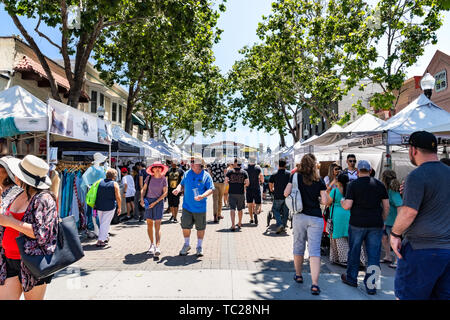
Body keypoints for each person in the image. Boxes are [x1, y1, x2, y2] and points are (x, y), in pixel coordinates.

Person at [390, 131, 450, 300]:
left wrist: (395, 234)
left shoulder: (416, 175)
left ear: (413, 150)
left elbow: (409, 212)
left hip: (420, 250)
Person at [0, 155, 58, 299]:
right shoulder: (15, 193)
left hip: (32, 263)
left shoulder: (44, 199)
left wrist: (10, 222)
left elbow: (43, 233)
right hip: (8, 260)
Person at [284, 153, 331, 295]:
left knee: (298, 246)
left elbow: (286, 193)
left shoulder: (295, 176)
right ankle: (315, 284)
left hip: (299, 216)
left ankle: (298, 275)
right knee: (315, 251)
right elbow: (324, 201)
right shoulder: (319, 179)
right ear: (314, 164)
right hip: (315, 218)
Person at [340, 160, 390, 295]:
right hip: (375, 224)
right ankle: (371, 285)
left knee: (354, 251)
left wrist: (341, 201)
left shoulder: (352, 185)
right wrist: (383, 220)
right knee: (374, 254)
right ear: (370, 170)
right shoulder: (379, 185)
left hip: (357, 223)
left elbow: (347, 205)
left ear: (357, 171)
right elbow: (386, 206)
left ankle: (351, 278)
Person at [172, 156, 214, 257]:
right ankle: (186, 245)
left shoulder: (206, 176)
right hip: (187, 207)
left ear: (200, 164)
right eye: (191, 162)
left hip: (200, 208)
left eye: (193, 162)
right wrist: (178, 189)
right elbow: (181, 184)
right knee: (185, 227)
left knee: (200, 228)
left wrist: (202, 196)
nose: (191, 163)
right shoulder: (187, 173)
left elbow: (211, 189)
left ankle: (199, 247)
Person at [326, 173, 367, 267]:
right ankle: (360, 260)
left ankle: (344, 259)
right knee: (353, 238)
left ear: (338, 181)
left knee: (339, 237)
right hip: (350, 214)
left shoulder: (335, 191)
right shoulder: (351, 190)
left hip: (337, 216)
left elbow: (328, 203)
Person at [140, 162, 168, 256]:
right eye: (155, 167)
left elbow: (165, 193)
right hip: (148, 201)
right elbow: (143, 189)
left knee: (157, 224)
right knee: (149, 223)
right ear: (152, 169)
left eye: (159, 167)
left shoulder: (164, 179)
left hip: (158, 202)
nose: (157, 169)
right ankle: (151, 244)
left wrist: (155, 202)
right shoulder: (149, 178)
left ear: (161, 169)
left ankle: (157, 246)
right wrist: (142, 199)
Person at [380, 169, 402, 268]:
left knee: (394, 241)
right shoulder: (387, 190)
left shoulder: (393, 192)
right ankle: (388, 256)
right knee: (384, 238)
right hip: (387, 220)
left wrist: (399, 222)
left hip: (393, 221)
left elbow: (399, 206)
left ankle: (398, 260)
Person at [95, 168, 122, 247]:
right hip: (109, 206)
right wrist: (119, 207)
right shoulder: (114, 184)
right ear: (114, 176)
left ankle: (105, 236)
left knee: (102, 223)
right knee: (105, 223)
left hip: (99, 205)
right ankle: (100, 240)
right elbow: (118, 196)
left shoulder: (99, 182)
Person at [225, 158, 249, 231]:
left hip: (232, 192)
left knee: (232, 209)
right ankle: (239, 223)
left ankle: (233, 225)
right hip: (241, 193)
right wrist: (242, 184)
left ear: (235, 163)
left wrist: (230, 182)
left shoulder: (229, 172)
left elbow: (225, 182)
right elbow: (247, 183)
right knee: (240, 209)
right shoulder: (244, 172)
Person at [268, 158, 291, 233]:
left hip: (277, 195)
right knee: (286, 212)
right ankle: (283, 226)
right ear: (285, 165)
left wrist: (271, 190)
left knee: (275, 210)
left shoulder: (274, 174)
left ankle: (280, 223)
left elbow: (270, 183)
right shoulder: (289, 174)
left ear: (278, 165)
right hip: (287, 196)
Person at [244, 157, 264, 225]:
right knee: (258, 202)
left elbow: (244, 179)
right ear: (255, 161)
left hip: (248, 188)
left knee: (249, 204)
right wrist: (262, 181)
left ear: (249, 161)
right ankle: (255, 211)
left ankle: (251, 219)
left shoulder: (245, 169)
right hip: (256, 187)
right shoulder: (258, 168)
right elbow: (261, 177)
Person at [208, 154, 227, 223]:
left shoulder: (212, 164)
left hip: (214, 182)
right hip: (221, 182)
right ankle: (219, 214)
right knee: (220, 199)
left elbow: (210, 173)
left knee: (215, 200)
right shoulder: (223, 163)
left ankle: (215, 215)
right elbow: (225, 173)